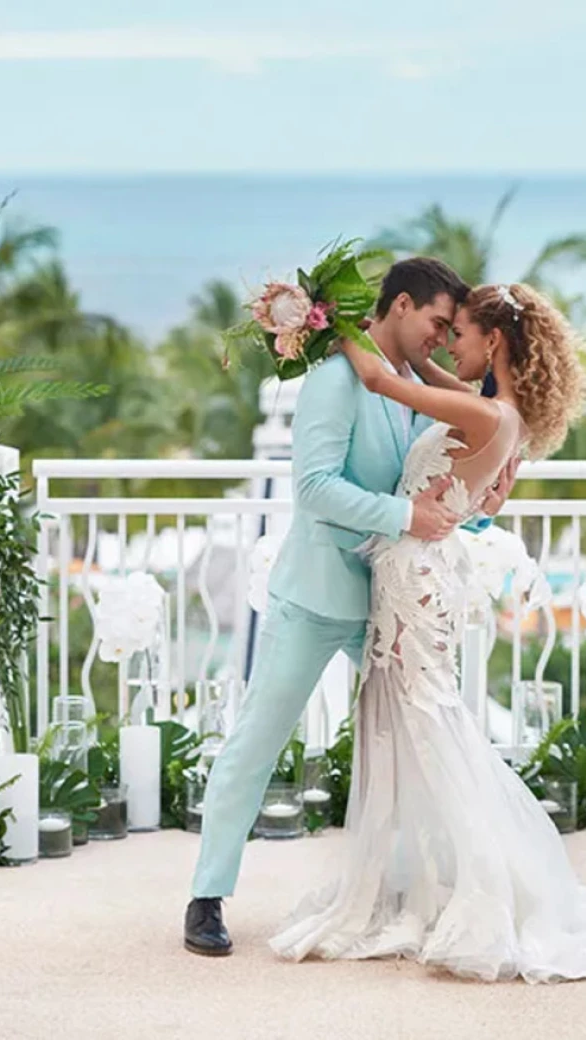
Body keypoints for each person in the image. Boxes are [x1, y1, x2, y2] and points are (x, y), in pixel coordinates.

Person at [269, 283, 586, 983]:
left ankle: (483, 885)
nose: (447, 342)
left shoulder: (486, 414)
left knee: (425, 721)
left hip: (414, 574)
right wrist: (408, 349)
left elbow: (373, 375)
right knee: (400, 715)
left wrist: (321, 316)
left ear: (494, 342)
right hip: (418, 573)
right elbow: (425, 378)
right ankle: (420, 879)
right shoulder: (501, 417)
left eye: (460, 333)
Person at [184, 258, 513, 956]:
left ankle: (424, 887)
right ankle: (206, 896)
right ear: (398, 305)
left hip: (388, 603)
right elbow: (315, 488)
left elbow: (440, 479)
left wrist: (472, 503)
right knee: (256, 742)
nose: (441, 338)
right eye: (436, 323)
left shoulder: (404, 387)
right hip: (315, 596)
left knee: (415, 741)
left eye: (453, 329)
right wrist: (405, 517)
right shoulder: (336, 378)